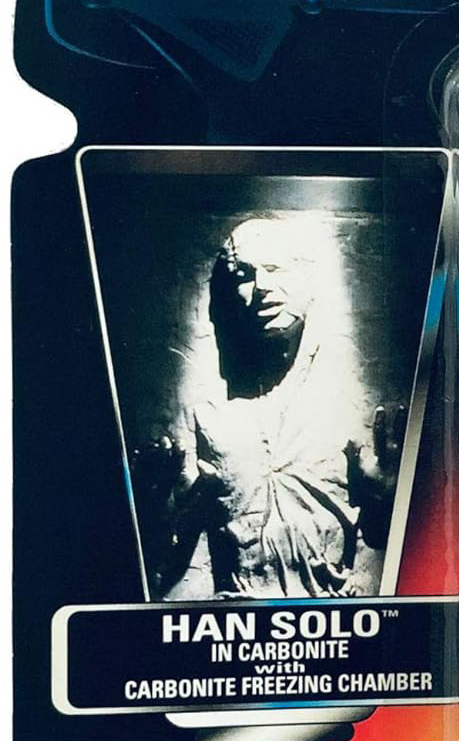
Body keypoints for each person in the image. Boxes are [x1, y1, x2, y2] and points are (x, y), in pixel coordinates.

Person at [134, 217, 399, 600]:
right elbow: (170, 570)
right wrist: (161, 516)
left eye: (276, 268)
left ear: (309, 281)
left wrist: (395, 506)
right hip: (232, 618)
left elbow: (381, 541)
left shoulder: (346, 416)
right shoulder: (209, 418)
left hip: (335, 615)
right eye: (243, 274)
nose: (262, 286)